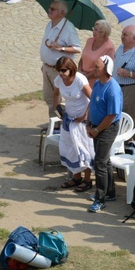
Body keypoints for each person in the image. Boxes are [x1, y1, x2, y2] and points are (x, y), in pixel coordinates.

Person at [87, 55, 123, 213]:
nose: (94, 69)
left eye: (97, 67)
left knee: (100, 163)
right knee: (105, 161)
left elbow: (111, 116)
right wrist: (89, 123)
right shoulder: (97, 83)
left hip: (106, 128)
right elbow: (92, 104)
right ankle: (110, 192)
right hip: (96, 127)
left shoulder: (113, 89)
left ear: (106, 69)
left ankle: (100, 198)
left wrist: (96, 130)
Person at [53, 56, 94, 192]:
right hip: (69, 118)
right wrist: (58, 108)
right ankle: (77, 177)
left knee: (85, 149)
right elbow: (55, 95)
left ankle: (88, 180)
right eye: (58, 70)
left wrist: (85, 115)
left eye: (63, 70)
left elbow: (93, 99)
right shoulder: (59, 80)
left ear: (71, 69)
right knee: (71, 148)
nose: (60, 73)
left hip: (82, 119)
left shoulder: (80, 80)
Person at [40, 0, 81, 117]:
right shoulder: (50, 24)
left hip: (59, 71)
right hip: (47, 67)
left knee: (60, 100)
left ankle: (63, 126)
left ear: (62, 13)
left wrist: (61, 48)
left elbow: (77, 48)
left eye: (53, 9)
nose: (49, 10)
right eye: (50, 8)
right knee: (49, 98)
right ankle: (53, 124)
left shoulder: (68, 28)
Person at [113, 25, 135, 127]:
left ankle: (134, 141)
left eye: (125, 35)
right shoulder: (120, 48)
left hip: (131, 89)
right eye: (122, 34)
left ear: (134, 38)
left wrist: (129, 74)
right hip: (117, 86)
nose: (122, 36)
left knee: (132, 116)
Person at [78, 20, 115, 88]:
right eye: (94, 29)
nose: (94, 32)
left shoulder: (109, 48)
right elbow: (83, 57)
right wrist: (79, 71)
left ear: (104, 34)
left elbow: (104, 68)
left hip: (95, 81)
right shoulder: (89, 40)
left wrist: (86, 77)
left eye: (98, 31)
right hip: (82, 76)